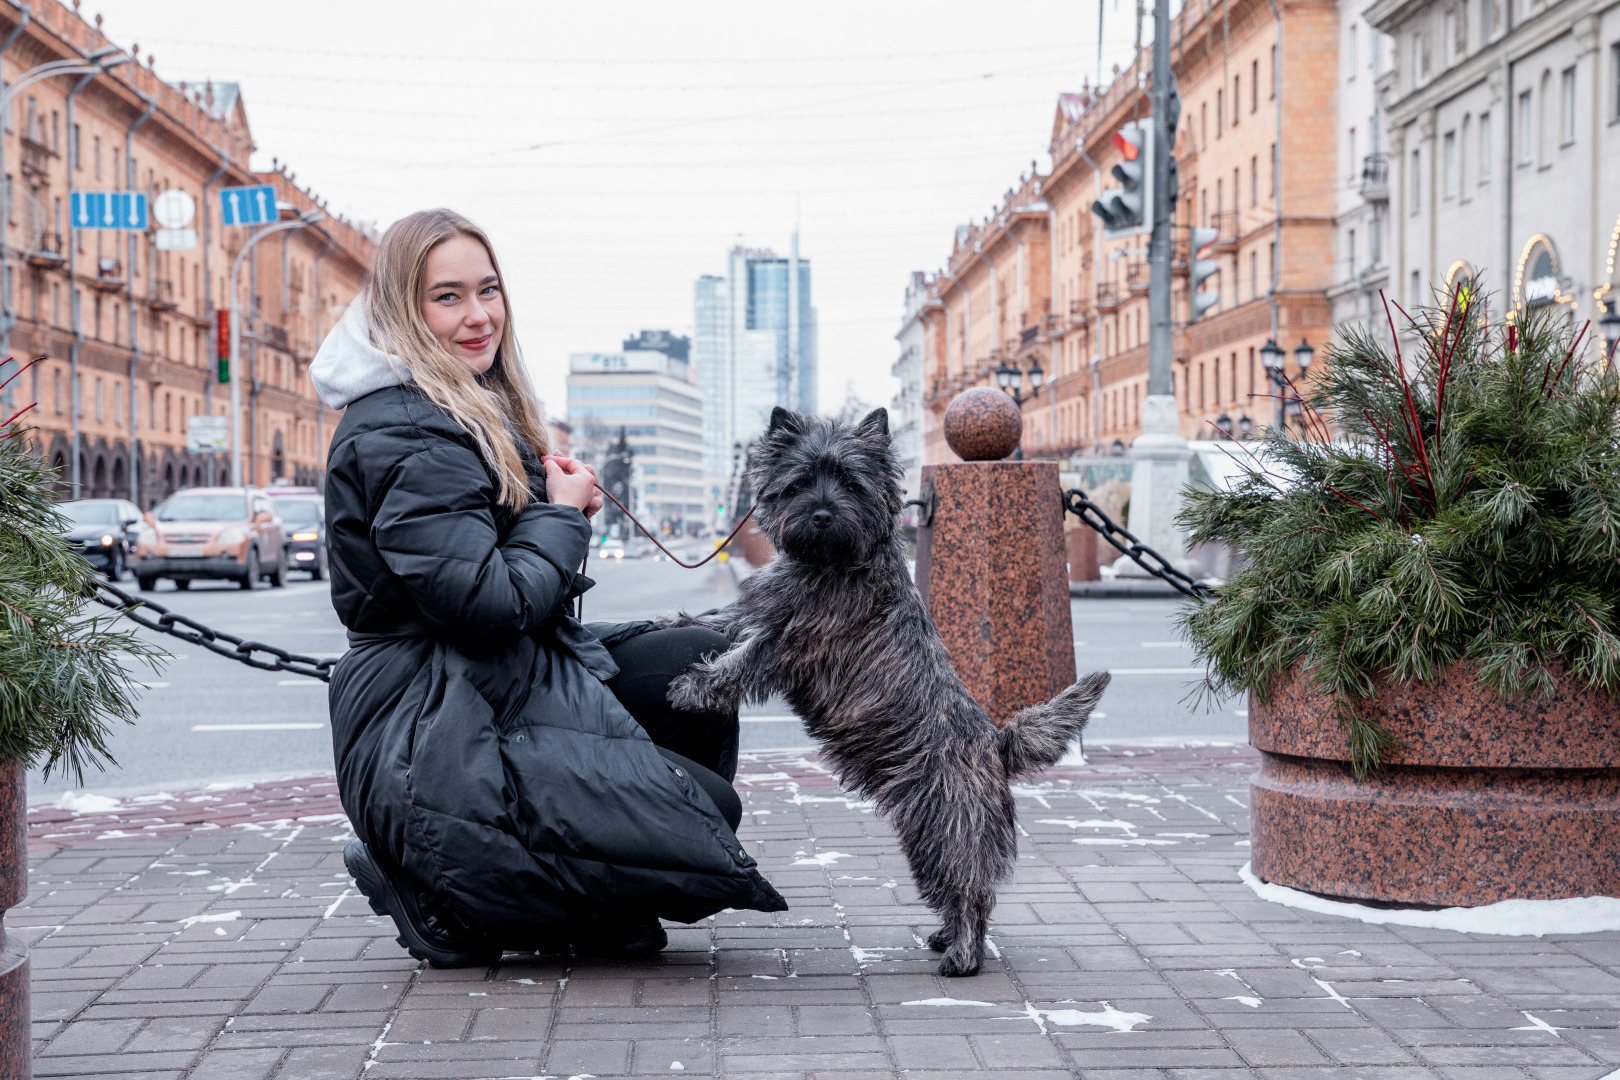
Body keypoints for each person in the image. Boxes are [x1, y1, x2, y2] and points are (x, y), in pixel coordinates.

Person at [310, 208, 784, 967]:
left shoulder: (458, 408)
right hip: (427, 721)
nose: (478, 316)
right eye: (448, 298)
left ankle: (600, 897)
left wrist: (544, 501)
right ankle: (440, 889)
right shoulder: (406, 430)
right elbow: (486, 606)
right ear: (405, 308)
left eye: (487, 290)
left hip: (487, 683)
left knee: (697, 667)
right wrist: (560, 518)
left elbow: (494, 567)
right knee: (706, 815)